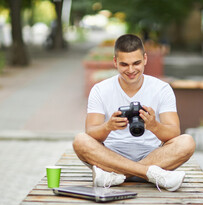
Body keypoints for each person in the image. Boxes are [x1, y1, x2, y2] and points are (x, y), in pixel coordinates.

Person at [73, 34, 195, 192]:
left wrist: (154, 126)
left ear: (145, 59)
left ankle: (117, 176)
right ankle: (150, 174)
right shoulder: (100, 89)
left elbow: (174, 133)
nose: (131, 70)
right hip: (112, 154)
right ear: (115, 62)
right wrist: (108, 127)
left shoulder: (162, 88)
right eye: (124, 64)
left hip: (151, 156)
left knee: (187, 142)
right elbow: (91, 133)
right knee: (80, 140)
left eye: (136, 63)